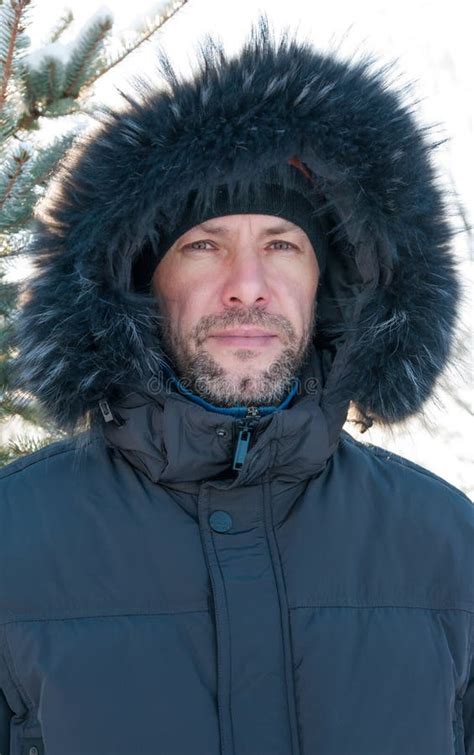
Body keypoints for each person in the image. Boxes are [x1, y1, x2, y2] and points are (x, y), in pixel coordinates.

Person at [1, 15, 473, 755]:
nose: (246, 287)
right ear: (141, 282)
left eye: (282, 245)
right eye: (202, 246)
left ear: (332, 283)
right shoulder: (12, 540)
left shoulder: (450, 545)